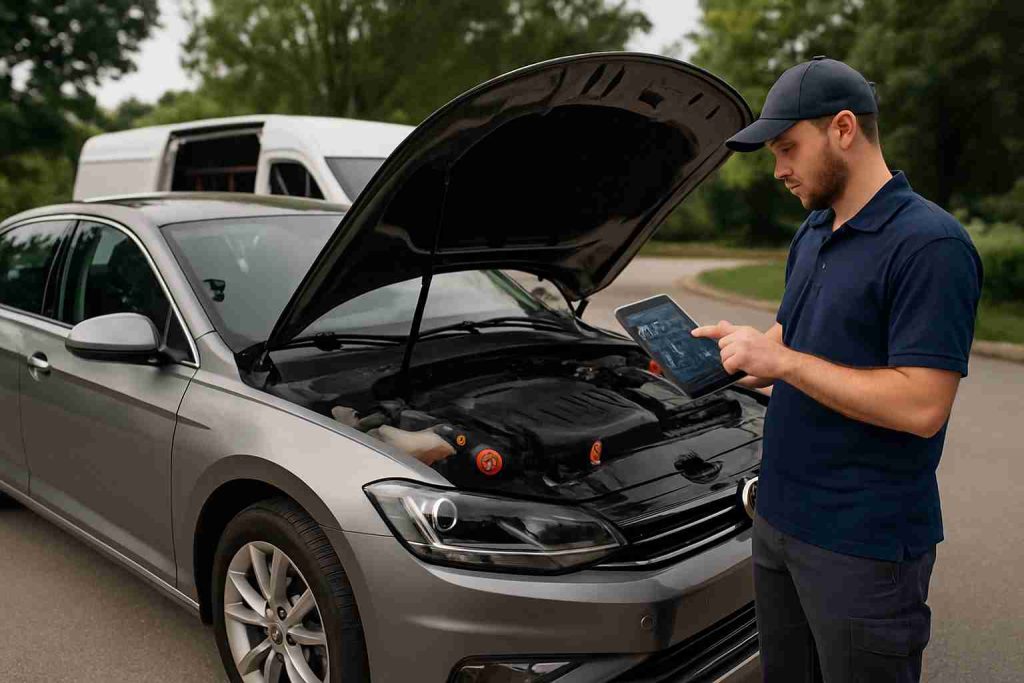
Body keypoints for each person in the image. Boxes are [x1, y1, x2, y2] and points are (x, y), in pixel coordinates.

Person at [691, 56, 983, 682]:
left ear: (844, 128)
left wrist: (783, 360)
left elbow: (921, 406)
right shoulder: (814, 230)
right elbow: (785, 344)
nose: (779, 170)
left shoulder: (931, 244)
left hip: (863, 547)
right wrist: (728, 356)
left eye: (788, 149)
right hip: (777, 522)